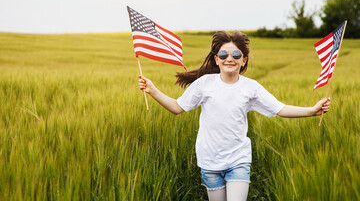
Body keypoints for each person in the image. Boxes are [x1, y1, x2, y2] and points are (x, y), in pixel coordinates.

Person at [138, 31, 331, 201]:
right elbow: (177, 107)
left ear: (244, 60)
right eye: (223, 54)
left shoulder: (251, 88)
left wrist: (312, 111)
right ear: (216, 59)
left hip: (238, 160)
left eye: (236, 54)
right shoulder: (204, 84)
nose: (229, 58)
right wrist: (153, 90)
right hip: (209, 161)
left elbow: (280, 109)